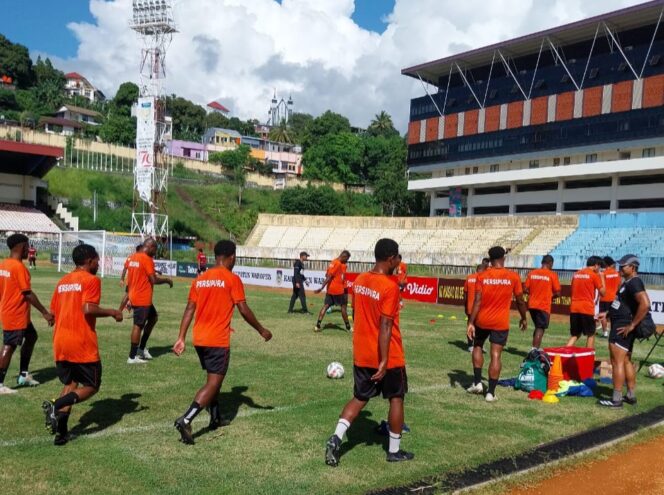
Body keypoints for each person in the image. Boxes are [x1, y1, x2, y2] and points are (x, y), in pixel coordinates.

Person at [172, 240, 272, 444]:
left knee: (213, 378)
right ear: (232, 256)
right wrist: (262, 330)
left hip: (199, 338)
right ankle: (186, 419)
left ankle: (215, 418)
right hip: (217, 340)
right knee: (213, 382)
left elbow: (189, 308)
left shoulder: (200, 279)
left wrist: (181, 337)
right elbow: (243, 309)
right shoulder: (231, 279)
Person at [325, 238, 412, 466]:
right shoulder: (389, 287)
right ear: (391, 258)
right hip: (388, 355)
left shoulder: (360, 280)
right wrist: (383, 361)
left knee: (360, 397)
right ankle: (394, 450)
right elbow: (385, 325)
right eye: (397, 257)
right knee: (396, 398)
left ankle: (336, 438)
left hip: (362, 353)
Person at [41, 244, 123, 445]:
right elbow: (88, 308)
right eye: (96, 259)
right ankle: (55, 404)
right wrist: (113, 312)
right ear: (89, 261)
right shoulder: (91, 279)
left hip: (60, 341)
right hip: (81, 342)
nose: (98, 263)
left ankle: (61, 433)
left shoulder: (63, 282)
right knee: (92, 386)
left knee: (70, 384)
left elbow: (52, 314)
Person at [466, 246, 527, 402]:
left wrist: (471, 322)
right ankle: (490, 393)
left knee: (478, 346)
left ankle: (478, 382)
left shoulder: (482, 276)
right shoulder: (512, 276)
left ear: (490, 259)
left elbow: (477, 301)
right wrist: (523, 317)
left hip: (482, 320)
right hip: (500, 322)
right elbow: (520, 300)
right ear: (503, 258)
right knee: (496, 355)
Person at [0, 234, 54, 394]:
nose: (28, 249)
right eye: (27, 245)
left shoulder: (4, 265)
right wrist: (45, 312)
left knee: (31, 336)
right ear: (21, 246)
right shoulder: (18, 267)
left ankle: (23, 375)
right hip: (15, 314)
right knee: (9, 345)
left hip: (14, 312)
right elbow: (27, 293)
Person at [600, 255, 654, 408]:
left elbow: (645, 303)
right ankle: (630, 395)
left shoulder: (634, 282)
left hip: (622, 327)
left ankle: (616, 399)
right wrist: (608, 314)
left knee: (616, 361)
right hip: (621, 324)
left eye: (623, 266)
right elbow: (622, 304)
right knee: (625, 360)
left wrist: (632, 325)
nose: (620, 268)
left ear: (633, 268)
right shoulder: (628, 283)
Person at [123, 238, 173, 364]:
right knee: (138, 326)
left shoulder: (133, 257)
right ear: (150, 247)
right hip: (142, 298)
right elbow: (153, 280)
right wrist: (167, 280)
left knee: (153, 318)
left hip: (136, 296)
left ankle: (141, 348)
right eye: (155, 250)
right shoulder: (147, 259)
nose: (155, 253)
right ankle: (132, 356)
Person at [567, 256, 606, 349]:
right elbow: (603, 293)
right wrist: (602, 278)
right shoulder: (594, 275)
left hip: (574, 307)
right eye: (599, 267)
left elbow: (572, 290)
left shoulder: (576, 274)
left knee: (575, 334)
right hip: (586, 308)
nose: (599, 269)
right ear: (596, 265)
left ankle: (562, 355)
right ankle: (589, 358)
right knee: (591, 334)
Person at [524, 255, 561, 350]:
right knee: (540, 328)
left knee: (538, 327)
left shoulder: (532, 273)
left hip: (532, 305)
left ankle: (535, 348)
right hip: (543, 306)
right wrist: (550, 297)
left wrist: (533, 293)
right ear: (550, 263)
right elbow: (557, 292)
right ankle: (534, 350)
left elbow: (525, 288)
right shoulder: (552, 275)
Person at [314, 250, 351, 332]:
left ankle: (318, 325)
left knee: (326, 306)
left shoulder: (333, 262)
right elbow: (329, 276)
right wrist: (321, 287)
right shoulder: (337, 263)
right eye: (347, 259)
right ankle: (348, 327)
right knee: (343, 308)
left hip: (330, 289)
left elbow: (327, 274)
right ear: (344, 256)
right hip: (339, 290)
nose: (347, 261)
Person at [463, 264, 485, 352]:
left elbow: (465, 293)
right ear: (483, 270)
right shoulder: (483, 279)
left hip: (470, 306)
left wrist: (465, 305)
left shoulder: (469, 277)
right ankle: (478, 345)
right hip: (480, 307)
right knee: (481, 327)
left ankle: (470, 345)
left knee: (470, 324)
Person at [598, 256, 621, 338]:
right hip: (614, 298)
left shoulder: (603, 274)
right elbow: (619, 286)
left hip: (604, 298)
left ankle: (605, 333)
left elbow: (601, 286)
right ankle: (613, 333)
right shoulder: (617, 273)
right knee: (614, 316)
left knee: (603, 316)